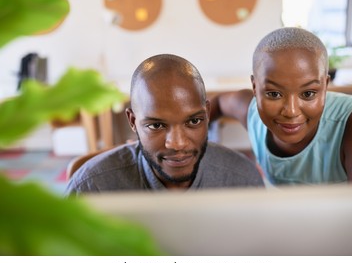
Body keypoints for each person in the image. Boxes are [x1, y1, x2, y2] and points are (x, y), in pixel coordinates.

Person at [210, 27, 352, 186]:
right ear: (255, 87)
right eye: (274, 94)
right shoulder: (250, 111)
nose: (291, 111)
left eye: (308, 94)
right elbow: (217, 103)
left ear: (325, 86)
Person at [65, 54, 264, 195]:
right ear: (133, 121)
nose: (177, 144)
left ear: (207, 114)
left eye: (193, 121)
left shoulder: (242, 180)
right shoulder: (91, 188)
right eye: (156, 126)